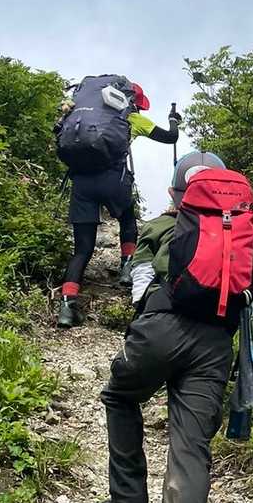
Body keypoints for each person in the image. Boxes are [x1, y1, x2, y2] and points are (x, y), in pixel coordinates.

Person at [93, 150, 234, 503]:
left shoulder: (159, 226)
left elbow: (137, 285)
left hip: (159, 329)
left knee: (119, 396)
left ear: (176, 192)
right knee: (189, 451)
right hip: (215, 342)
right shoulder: (237, 231)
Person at [56, 78, 181, 328]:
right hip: (113, 180)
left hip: (81, 183)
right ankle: (127, 267)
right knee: (127, 219)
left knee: (82, 250)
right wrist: (173, 120)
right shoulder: (131, 118)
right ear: (131, 101)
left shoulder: (77, 113)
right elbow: (170, 137)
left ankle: (67, 308)